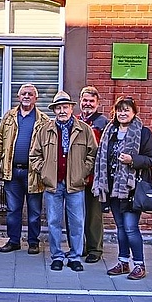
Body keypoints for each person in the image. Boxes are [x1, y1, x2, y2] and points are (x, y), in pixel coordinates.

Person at [29, 91, 97, 272]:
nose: (62, 111)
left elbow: (93, 154)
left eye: (65, 107)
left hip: (75, 184)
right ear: (54, 110)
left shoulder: (84, 129)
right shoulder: (45, 130)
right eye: (58, 107)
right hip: (53, 184)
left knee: (76, 222)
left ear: (71, 108)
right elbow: (34, 155)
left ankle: (75, 256)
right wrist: (44, 172)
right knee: (53, 221)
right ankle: (57, 256)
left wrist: (83, 171)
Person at [92, 96, 152, 280]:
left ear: (134, 113)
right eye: (119, 110)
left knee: (130, 227)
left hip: (132, 188)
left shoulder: (143, 133)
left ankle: (139, 264)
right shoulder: (109, 131)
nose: (123, 113)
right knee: (120, 228)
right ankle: (123, 262)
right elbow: (102, 158)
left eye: (126, 110)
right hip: (112, 187)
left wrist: (133, 160)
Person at [0, 83, 49, 254]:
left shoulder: (43, 120)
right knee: (13, 209)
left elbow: (47, 147)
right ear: (18, 96)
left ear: (36, 98)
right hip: (12, 171)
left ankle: (33, 242)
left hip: (34, 173)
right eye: (23, 93)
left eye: (30, 94)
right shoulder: (9, 117)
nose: (26, 96)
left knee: (34, 211)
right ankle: (14, 240)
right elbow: (0, 140)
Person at [77, 86, 109, 264]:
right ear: (80, 102)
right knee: (77, 213)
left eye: (91, 101)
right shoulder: (75, 120)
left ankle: (95, 249)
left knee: (94, 215)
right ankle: (79, 246)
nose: (87, 104)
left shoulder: (103, 123)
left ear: (97, 103)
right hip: (77, 176)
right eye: (85, 100)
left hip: (95, 177)